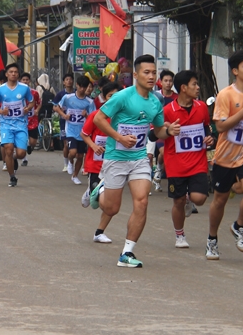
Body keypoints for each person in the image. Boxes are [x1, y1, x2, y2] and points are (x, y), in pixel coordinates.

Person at [91, 55, 172, 268]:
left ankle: (127, 252)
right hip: (116, 158)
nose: (151, 76)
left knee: (142, 201)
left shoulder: (156, 101)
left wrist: (169, 130)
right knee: (112, 208)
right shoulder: (123, 96)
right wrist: (119, 138)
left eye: (154, 72)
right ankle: (100, 191)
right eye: (146, 72)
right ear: (135, 75)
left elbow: (159, 130)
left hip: (138, 158)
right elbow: (99, 119)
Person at [205, 50, 243, 260]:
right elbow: (221, 126)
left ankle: (238, 226)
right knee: (220, 200)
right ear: (235, 71)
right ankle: (212, 239)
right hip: (225, 155)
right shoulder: (225, 95)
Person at [162, 70, 215, 249]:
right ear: (184, 88)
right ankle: (180, 235)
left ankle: (189, 199)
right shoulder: (168, 111)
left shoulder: (201, 107)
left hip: (197, 162)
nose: (198, 87)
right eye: (194, 84)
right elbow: (155, 133)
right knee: (178, 201)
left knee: (199, 198)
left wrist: (209, 139)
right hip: (175, 164)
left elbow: (206, 127)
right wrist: (168, 130)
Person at [80, 81, 121, 243]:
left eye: (117, 96)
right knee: (100, 200)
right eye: (111, 96)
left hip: (116, 164)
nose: (114, 99)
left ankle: (99, 232)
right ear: (104, 98)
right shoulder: (96, 115)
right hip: (96, 164)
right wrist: (94, 145)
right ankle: (91, 191)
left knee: (109, 202)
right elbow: (84, 134)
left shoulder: (124, 117)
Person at [0, 64, 35, 187]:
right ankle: (12, 177)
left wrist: (27, 108)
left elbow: (32, 102)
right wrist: (1, 111)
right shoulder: (0, 89)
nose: (13, 74)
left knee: (21, 154)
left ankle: (13, 158)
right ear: (6, 74)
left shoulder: (25, 88)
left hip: (21, 124)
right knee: (8, 148)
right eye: (11, 72)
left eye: (16, 72)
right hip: (6, 124)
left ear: (18, 74)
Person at [55, 75, 96, 185]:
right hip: (70, 130)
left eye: (85, 87)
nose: (82, 89)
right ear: (76, 85)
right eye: (80, 87)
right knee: (73, 152)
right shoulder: (68, 98)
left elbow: (94, 118)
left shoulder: (89, 102)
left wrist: (86, 115)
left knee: (80, 156)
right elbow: (56, 107)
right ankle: (69, 161)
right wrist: (64, 115)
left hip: (83, 132)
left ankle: (75, 176)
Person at [53, 72, 75, 173]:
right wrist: (63, 114)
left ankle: (72, 162)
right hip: (64, 122)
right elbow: (55, 106)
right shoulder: (60, 94)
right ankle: (66, 164)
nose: (69, 81)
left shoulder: (76, 93)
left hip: (76, 122)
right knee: (66, 143)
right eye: (67, 80)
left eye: (70, 79)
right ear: (63, 82)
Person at [19, 73, 40, 166]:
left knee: (33, 142)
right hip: (21, 120)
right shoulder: (17, 93)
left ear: (29, 81)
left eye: (27, 80)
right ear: (20, 81)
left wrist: (37, 110)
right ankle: (24, 159)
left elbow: (39, 103)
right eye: (23, 79)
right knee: (23, 140)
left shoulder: (34, 93)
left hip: (33, 120)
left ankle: (30, 147)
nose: (25, 81)